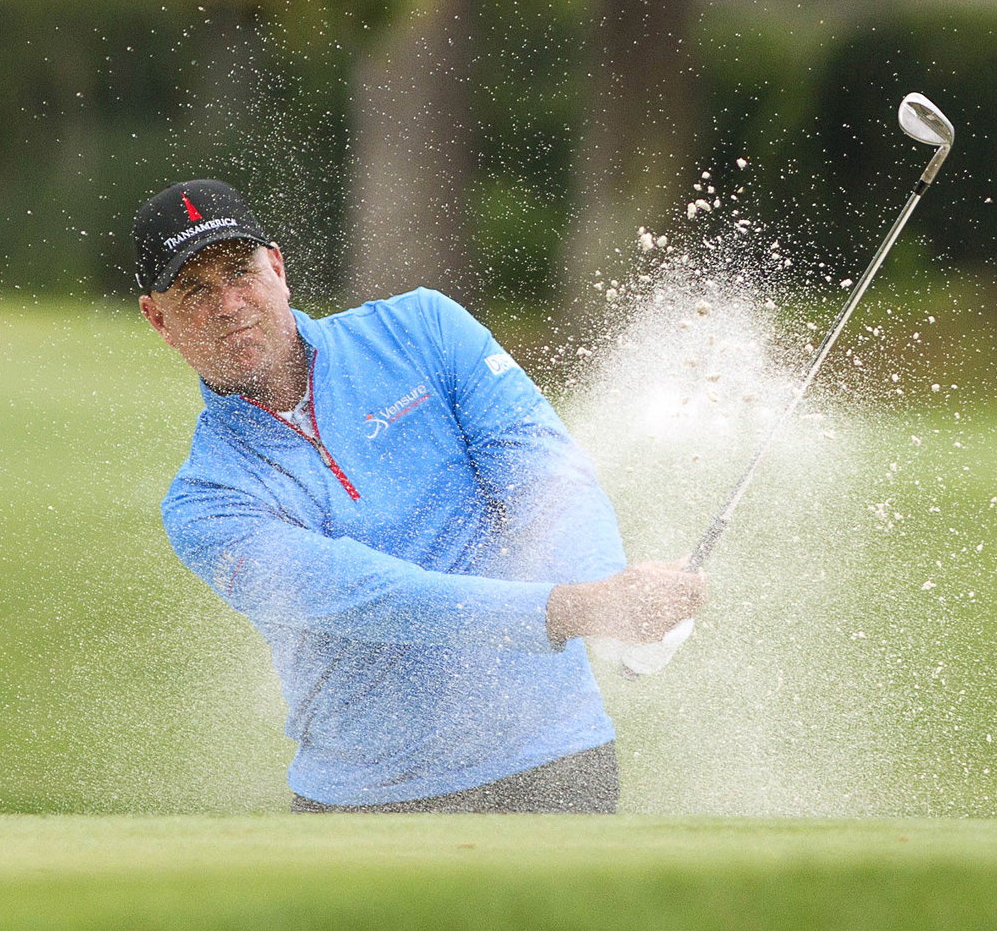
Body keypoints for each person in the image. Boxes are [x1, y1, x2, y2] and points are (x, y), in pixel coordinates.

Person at [133, 178, 705, 814]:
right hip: (368, 801)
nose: (229, 303)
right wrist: (577, 610)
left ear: (278, 268)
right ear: (159, 319)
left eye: (240, 273)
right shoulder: (206, 500)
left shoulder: (423, 328)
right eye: (195, 290)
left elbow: (543, 471)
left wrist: (614, 594)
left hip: (555, 759)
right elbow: (369, 596)